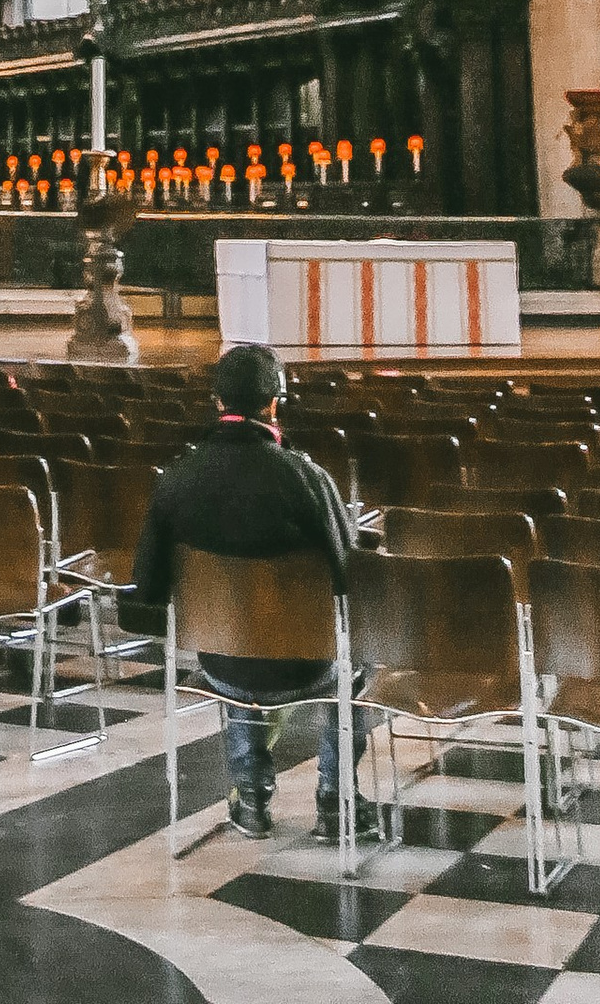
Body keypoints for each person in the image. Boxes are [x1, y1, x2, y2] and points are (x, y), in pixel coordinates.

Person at [127, 342, 359, 841]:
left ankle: (251, 800)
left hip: (221, 665)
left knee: (235, 635)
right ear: (276, 405)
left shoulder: (174, 480)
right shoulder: (307, 478)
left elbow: (146, 586)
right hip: (308, 665)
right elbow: (350, 578)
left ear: (216, 403)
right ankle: (336, 804)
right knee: (360, 668)